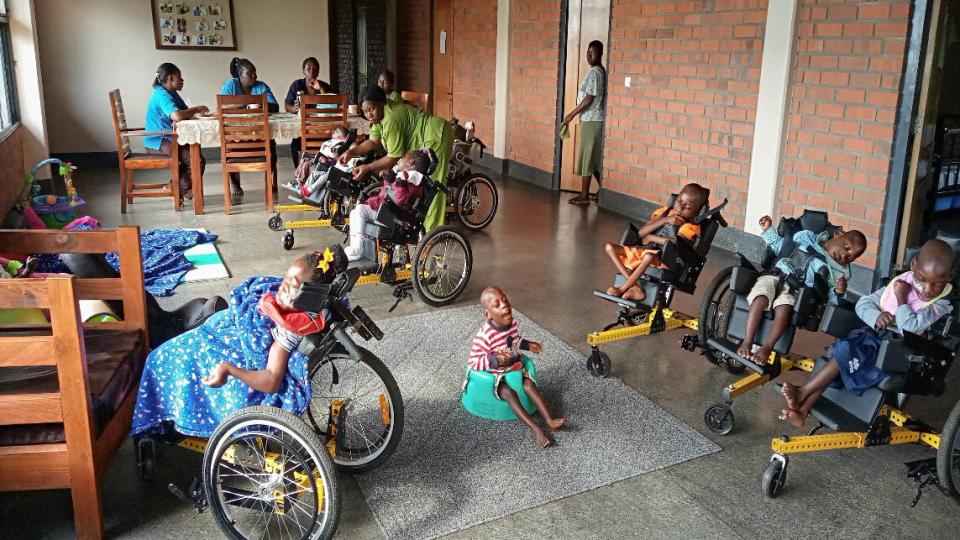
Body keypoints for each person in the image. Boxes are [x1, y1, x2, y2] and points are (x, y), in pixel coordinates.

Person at [130, 246, 348, 438]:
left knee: (161, 359)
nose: (282, 286)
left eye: (292, 284)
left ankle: (162, 417)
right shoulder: (293, 305)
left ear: (310, 296)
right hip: (221, 329)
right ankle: (166, 410)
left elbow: (271, 380)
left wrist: (228, 369)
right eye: (285, 278)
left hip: (218, 348)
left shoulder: (289, 330)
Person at [778, 239, 955, 427]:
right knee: (843, 351)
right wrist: (876, 316)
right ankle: (802, 410)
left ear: (949, 277)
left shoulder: (940, 305)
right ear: (913, 265)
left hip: (897, 351)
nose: (928, 289)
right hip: (873, 337)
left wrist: (901, 297)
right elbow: (863, 304)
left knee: (845, 353)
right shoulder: (900, 282)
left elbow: (910, 327)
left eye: (937, 284)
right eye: (922, 278)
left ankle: (803, 394)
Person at [737, 216, 868, 364]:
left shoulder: (837, 273)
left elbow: (831, 297)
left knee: (784, 308)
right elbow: (781, 246)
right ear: (839, 234)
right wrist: (768, 229)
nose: (845, 255)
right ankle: (747, 341)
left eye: (850, 257)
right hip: (774, 276)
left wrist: (838, 291)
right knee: (760, 299)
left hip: (795, 289)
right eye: (846, 247)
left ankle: (767, 347)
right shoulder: (806, 239)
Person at [338, 85, 454, 231]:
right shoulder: (379, 118)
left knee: (431, 186)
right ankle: (423, 228)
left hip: (436, 135)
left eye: (371, 109)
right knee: (418, 185)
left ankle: (433, 232)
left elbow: (394, 157)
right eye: (365, 111)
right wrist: (351, 152)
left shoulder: (391, 119)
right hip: (422, 141)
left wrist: (367, 168)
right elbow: (373, 141)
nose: (369, 114)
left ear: (381, 103)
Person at [468, 286, 567, 448]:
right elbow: (473, 362)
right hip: (494, 375)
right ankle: (535, 429)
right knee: (509, 393)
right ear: (488, 314)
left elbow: (516, 341)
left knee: (529, 385)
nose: (505, 305)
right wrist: (495, 360)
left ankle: (549, 420)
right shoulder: (484, 336)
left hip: (512, 367)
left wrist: (528, 345)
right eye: (497, 304)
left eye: (505, 300)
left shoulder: (512, 325)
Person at [603, 183, 709, 301]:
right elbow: (641, 233)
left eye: (687, 207)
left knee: (648, 257)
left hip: (664, 258)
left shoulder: (690, 226)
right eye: (679, 200)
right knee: (609, 247)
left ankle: (622, 289)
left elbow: (675, 243)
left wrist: (650, 238)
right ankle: (636, 287)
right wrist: (666, 219)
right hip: (643, 249)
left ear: (697, 212)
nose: (680, 207)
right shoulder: (664, 212)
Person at [344, 148, 435, 261]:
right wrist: (391, 176)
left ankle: (357, 249)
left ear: (410, 162)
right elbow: (387, 190)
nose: (399, 160)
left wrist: (400, 182)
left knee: (359, 211)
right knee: (357, 212)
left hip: (394, 217)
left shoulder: (410, 180)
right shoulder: (407, 177)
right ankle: (358, 248)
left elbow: (400, 200)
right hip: (389, 211)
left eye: (403, 158)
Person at [144, 62, 211, 202]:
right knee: (196, 160)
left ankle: (175, 187)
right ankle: (183, 190)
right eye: (179, 77)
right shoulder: (161, 94)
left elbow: (182, 112)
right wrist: (195, 109)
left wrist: (186, 113)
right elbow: (178, 115)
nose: (182, 80)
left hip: (169, 138)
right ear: (170, 78)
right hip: (157, 141)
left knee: (197, 159)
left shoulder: (171, 93)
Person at [219, 57, 280, 202]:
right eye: (250, 73)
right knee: (229, 147)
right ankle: (233, 182)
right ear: (240, 74)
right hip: (235, 137)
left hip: (259, 136)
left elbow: (275, 107)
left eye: (255, 72)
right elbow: (221, 107)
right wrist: (247, 104)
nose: (255, 76)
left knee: (271, 146)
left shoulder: (261, 86)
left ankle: (268, 181)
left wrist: (260, 105)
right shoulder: (230, 85)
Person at [560, 40, 606, 205]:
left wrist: (571, 115)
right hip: (593, 120)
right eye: (588, 52)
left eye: (593, 53)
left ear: (600, 54)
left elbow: (588, 99)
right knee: (592, 159)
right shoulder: (601, 71)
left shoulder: (595, 72)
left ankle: (584, 194)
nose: (589, 55)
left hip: (591, 120)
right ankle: (603, 191)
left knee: (588, 158)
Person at [285, 56, 333, 168]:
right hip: (304, 128)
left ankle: (324, 170)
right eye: (308, 68)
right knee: (295, 144)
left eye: (315, 69)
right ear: (303, 70)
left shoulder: (325, 86)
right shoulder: (297, 85)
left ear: (319, 71)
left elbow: (331, 106)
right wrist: (295, 109)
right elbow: (287, 106)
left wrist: (320, 89)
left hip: (323, 130)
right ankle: (299, 172)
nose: (312, 71)